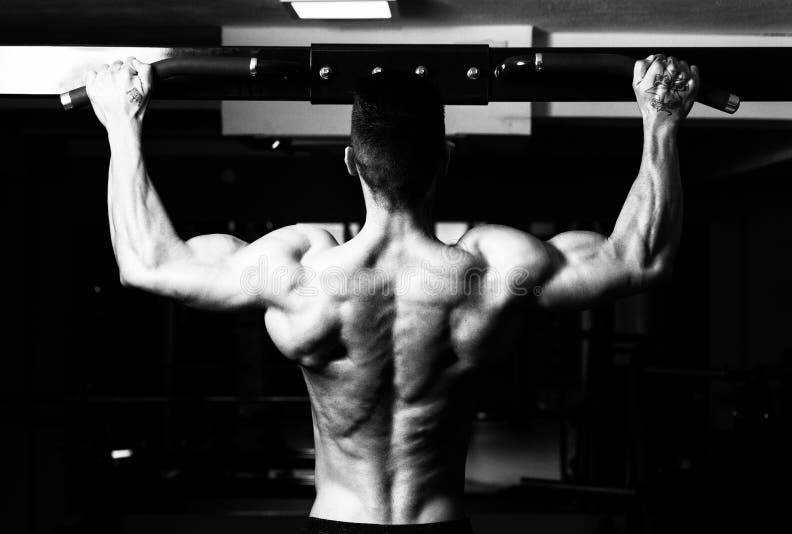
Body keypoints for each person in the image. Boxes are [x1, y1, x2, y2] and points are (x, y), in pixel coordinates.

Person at [85, 53, 698, 533]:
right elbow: (637, 259)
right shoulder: (494, 270)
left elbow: (147, 264)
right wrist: (661, 122)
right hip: (440, 526)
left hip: (336, 523)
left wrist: (121, 124)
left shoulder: (298, 273)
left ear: (351, 162)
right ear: (446, 159)